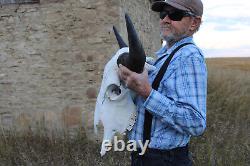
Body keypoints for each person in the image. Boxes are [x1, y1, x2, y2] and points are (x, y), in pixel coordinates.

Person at [118, 0, 207, 165]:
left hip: (163, 159)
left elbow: (196, 122)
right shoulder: (165, 56)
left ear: (194, 23)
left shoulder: (189, 57)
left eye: (175, 14)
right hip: (144, 155)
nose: (165, 19)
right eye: (163, 13)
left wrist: (146, 92)